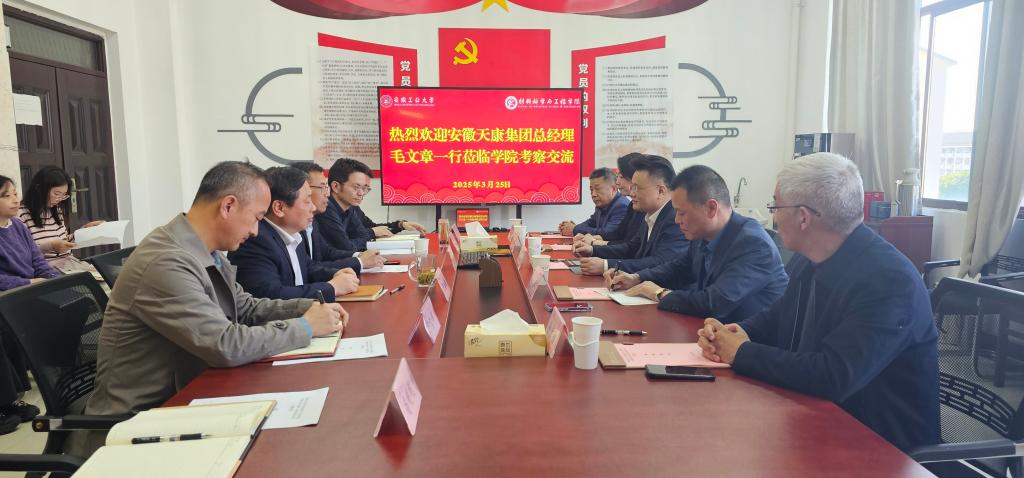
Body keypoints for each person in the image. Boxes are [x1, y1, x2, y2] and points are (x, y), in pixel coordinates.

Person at [696, 153, 939, 452]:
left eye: (775, 206)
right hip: (815, 418)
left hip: (881, 447)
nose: (773, 217)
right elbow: (778, 316)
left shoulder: (889, 281)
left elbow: (832, 375)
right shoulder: (811, 258)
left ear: (803, 217)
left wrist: (741, 352)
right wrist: (733, 332)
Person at [83, 161, 346, 423]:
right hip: (140, 420)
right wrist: (305, 326)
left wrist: (307, 307)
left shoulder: (205, 251)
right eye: (256, 218)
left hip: (190, 395)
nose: (256, 231)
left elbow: (246, 308)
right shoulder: (166, 262)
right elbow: (226, 345)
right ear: (228, 206)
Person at [606, 165, 787, 323]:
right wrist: (636, 278)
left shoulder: (753, 244)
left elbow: (714, 303)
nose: (677, 220)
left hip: (743, 340)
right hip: (708, 330)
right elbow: (678, 268)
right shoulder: (702, 234)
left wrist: (660, 293)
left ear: (711, 208)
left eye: (682, 213)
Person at [229, 167, 361, 301]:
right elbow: (272, 295)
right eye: (307, 201)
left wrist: (335, 274)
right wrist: (331, 287)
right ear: (279, 208)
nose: (313, 207)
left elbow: (307, 267)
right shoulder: (256, 240)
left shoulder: (292, 233)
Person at [0, 175, 60, 433]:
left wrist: (55, 283)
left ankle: (67, 378)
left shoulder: (17, 226)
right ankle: (7, 402)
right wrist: (27, 283)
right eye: (6, 195)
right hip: (9, 295)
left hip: (26, 291)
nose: (15, 199)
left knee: (73, 303)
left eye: (15, 193)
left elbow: (38, 262)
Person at [573, 156, 688, 275]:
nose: (632, 193)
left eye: (637, 188)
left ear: (660, 191)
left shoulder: (676, 219)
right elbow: (632, 248)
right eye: (632, 187)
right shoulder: (650, 214)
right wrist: (592, 250)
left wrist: (607, 265)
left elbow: (660, 262)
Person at [289, 162, 384, 273]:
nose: (327, 194)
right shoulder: (298, 223)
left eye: (365, 188)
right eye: (322, 187)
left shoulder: (312, 219)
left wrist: (359, 256)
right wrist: (360, 262)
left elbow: (327, 252)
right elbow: (309, 268)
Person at [317, 158, 426, 252]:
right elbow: (346, 246)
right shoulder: (325, 209)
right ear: (335, 186)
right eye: (356, 187)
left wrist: (400, 225)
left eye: (365, 188)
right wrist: (372, 233)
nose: (361, 193)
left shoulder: (351, 207)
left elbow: (370, 228)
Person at [18, 166, 104, 268]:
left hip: (67, 262)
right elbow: (22, 253)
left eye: (63, 195)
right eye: (56, 194)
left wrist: (84, 231)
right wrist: (51, 246)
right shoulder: (20, 213)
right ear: (39, 189)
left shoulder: (55, 209)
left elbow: (63, 241)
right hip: (44, 268)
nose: (59, 199)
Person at [574, 152, 646, 246]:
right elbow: (617, 235)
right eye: (591, 190)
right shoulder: (631, 205)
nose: (617, 182)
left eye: (621, 177)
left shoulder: (623, 205)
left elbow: (627, 245)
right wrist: (590, 238)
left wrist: (593, 242)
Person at [558, 167, 629, 237]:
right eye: (591, 190)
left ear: (613, 189)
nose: (593, 194)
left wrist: (575, 229)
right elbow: (591, 223)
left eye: (598, 189)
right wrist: (571, 227)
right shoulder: (602, 206)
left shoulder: (621, 206)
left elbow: (609, 233)